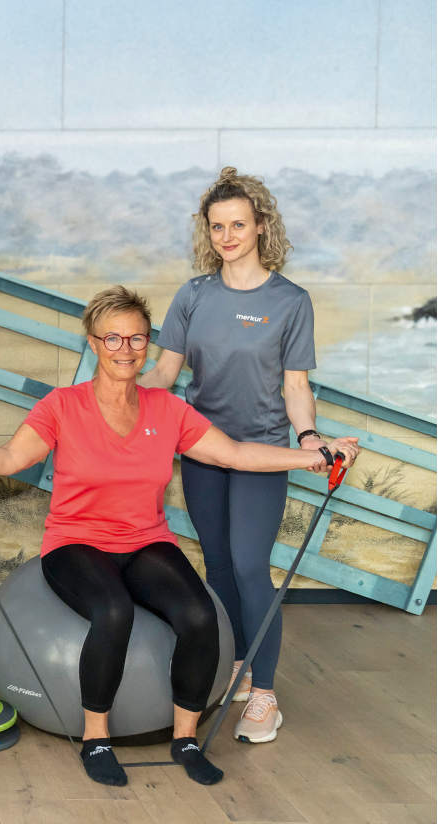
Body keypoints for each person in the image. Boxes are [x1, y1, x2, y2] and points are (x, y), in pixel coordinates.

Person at [0, 286, 357, 788]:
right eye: (113, 339)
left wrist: (315, 455)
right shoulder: (63, 405)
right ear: (94, 344)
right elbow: (10, 459)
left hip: (144, 540)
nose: (125, 349)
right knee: (113, 611)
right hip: (76, 542)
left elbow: (234, 454)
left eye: (137, 339)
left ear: (148, 345)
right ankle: (96, 739)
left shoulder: (167, 409)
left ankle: (185, 738)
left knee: (200, 614)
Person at [140, 166, 358, 745]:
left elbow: (294, 386)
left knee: (247, 564)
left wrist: (310, 438)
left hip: (260, 451)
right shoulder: (193, 295)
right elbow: (165, 371)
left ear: (261, 226)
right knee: (216, 566)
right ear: (206, 232)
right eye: (217, 227)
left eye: (238, 224)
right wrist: (120, 396)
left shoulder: (290, 302)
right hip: (204, 450)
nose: (227, 235)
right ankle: (235, 666)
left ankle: (265, 694)